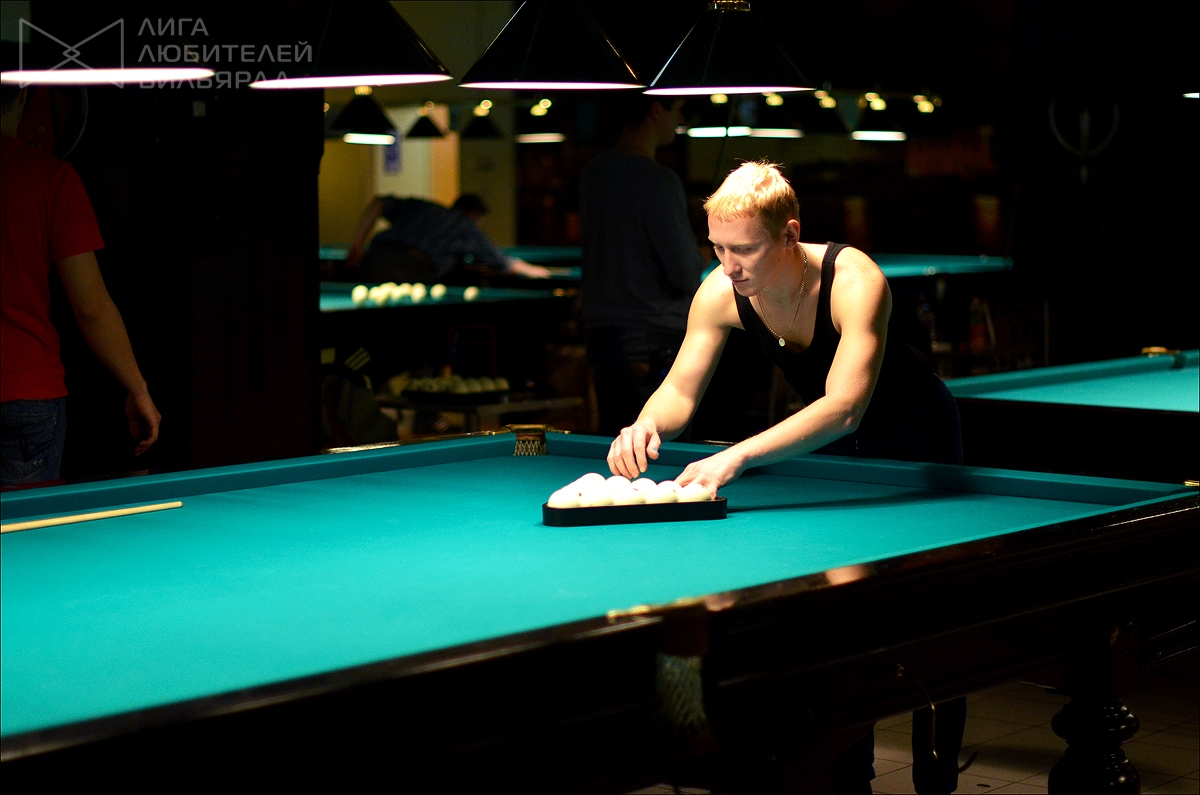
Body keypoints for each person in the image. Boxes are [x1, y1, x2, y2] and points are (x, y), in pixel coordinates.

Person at [607, 161, 966, 794]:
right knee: (842, 613)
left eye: (744, 250)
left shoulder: (855, 280)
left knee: (931, 614)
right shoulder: (720, 291)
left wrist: (738, 455)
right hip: (834, 453)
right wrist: (645, 424)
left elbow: (844, 405)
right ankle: (847, 775)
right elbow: (680, 390)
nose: (728, 265)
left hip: (918, 445)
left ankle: (937, 780)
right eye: (717, 247)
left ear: (789, 233)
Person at [1, 86, 160, 486]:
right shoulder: (50, 178)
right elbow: (91, 308)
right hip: (24, 391)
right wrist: (137, 387)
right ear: (23, 97)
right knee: (27, 525)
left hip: (26, 393)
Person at [580, 95, 707, 435]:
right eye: (678, 110)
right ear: (656, 111)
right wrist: (700, 256)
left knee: (616, 444)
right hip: (652, 336)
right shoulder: (659, 181)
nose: (680, 120)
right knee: (661, 451)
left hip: (601, 334)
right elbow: (684, 274)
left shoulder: (594, 172)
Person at [346, 193, 550, 283]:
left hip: (375, 260)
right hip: (411, 271)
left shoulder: (425, 207)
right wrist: (534, 270)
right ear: (473, 214)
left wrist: (356, 245)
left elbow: (378, 203)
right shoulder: (466, 226)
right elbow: (500, 262)